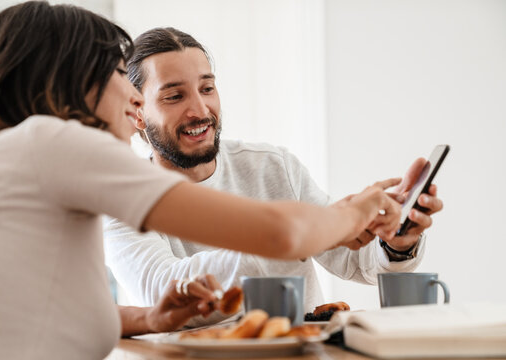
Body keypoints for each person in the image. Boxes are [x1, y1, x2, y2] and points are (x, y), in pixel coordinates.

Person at [0, 2, 403, 359]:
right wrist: (356, 211)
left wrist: (149, 319)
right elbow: (281, 233)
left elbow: (39, 307)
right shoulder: (56, 142)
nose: (134, 98)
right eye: (119, 74)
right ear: (68, 81)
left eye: (206, 88)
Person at [103, 27, 444, 326]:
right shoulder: (123, 200)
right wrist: (297, 234)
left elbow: (355, 261)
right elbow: (164, 291)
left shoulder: (272, 166)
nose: (200, 110)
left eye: (207, 89)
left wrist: (396, 242)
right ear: (137, 114)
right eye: (175, 96)